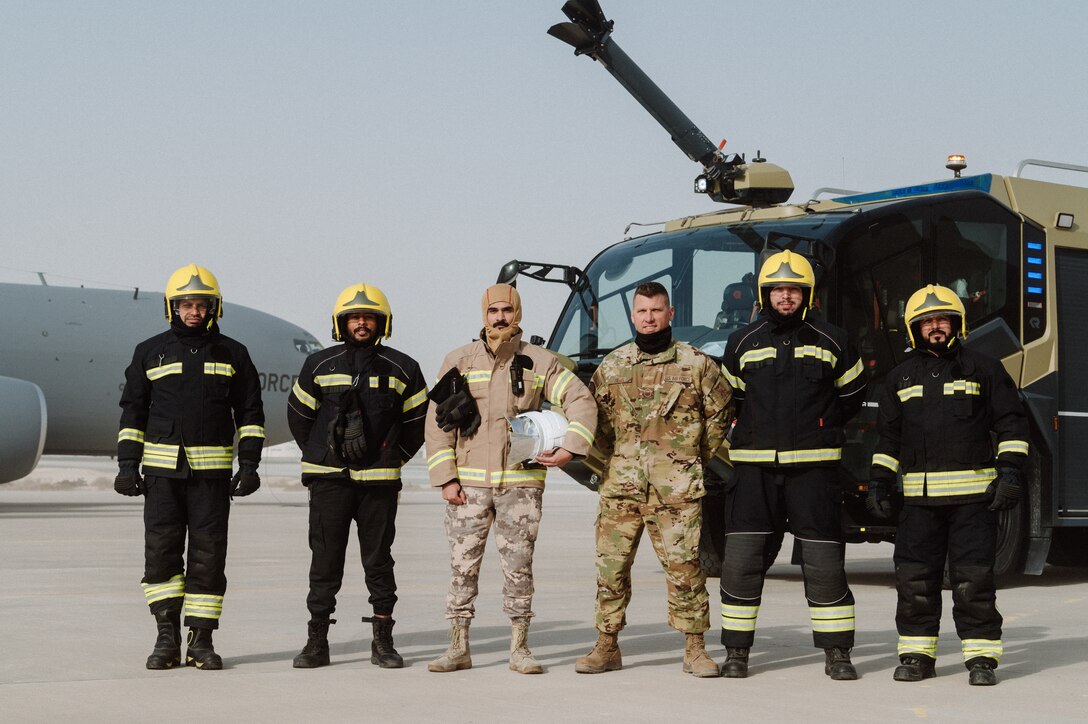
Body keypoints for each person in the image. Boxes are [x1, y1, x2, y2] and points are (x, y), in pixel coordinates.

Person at [425, 283, 597, 674]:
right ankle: (457, 647)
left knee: (519, 568)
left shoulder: (540, 361)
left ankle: (519, 648)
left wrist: (571, 447)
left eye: (506, 310)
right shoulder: (459, 361)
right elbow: (436, 426)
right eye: (493, 311)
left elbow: (580, 400)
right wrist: (446, 478)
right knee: (461, 567)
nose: (499, 317)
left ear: (517, 313)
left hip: (520, 485)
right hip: (467, 487)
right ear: (483, 316)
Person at [867, 284, 1029, 686]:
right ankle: (917, 656)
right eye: (926, 322)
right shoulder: (899, 378)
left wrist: (1009, 473)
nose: (935, 328)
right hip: (918, 506)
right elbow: (888, 440)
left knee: (973, 581)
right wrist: (879, 484)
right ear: (913, 329)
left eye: (943, 320)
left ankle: (981, 659)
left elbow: (1012, 424)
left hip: (974, 501)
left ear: (958, 325)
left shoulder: (986, 368)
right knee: (914, 581)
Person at [718, 250, 867, 680]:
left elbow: (852, 396)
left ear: (808, 295)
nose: (786, 297)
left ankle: (837, 652)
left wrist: (819, 427)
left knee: (824, 566)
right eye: (779, 290)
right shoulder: (742, 342)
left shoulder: (834, 340)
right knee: (741, 564)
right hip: (753, 471)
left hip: (814, 472)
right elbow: (735, 397)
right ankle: (737, 653)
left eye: (794, 290)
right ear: (766, 295)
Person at [576, 281, 732, 679]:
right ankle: (606, 645)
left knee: (685, 569)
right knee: (610, 571)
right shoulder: (612, 366)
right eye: (642, 311)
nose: (649, 318)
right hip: (621, 488)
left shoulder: (696, 364)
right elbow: (594, 425)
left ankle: (695, 648)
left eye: (656, 310)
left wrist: (691, 459)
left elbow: (721, 414)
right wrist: (612, 464)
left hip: (676, 490)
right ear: (632, 315)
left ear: (670, 314)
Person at [115, 264, 265, 670]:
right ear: (172, 307)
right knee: (161, 556)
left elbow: (250, 412)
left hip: (212, 481)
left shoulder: (234, 353)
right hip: (161, 478)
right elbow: (133, 411)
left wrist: (249, 464)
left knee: (208, 557)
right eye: (186, 304)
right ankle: (166, 637)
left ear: (213, 308)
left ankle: (202, 641)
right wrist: (128, 465)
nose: (194, 311)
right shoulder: (149, 351)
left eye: (201, 305)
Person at [287, 283, 427, 669]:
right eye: (354, 317)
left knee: (379, 562)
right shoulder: (318, 364)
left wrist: (391, 457)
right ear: (341, 322)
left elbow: (417, 423)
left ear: (382, 323)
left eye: (369, 317)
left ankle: (383, 641)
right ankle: (317, 641)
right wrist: (321, 453)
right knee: (325, 563)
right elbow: (299, 416)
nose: (361, 323)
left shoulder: (404, 368)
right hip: (329, 482)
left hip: (378, 485)